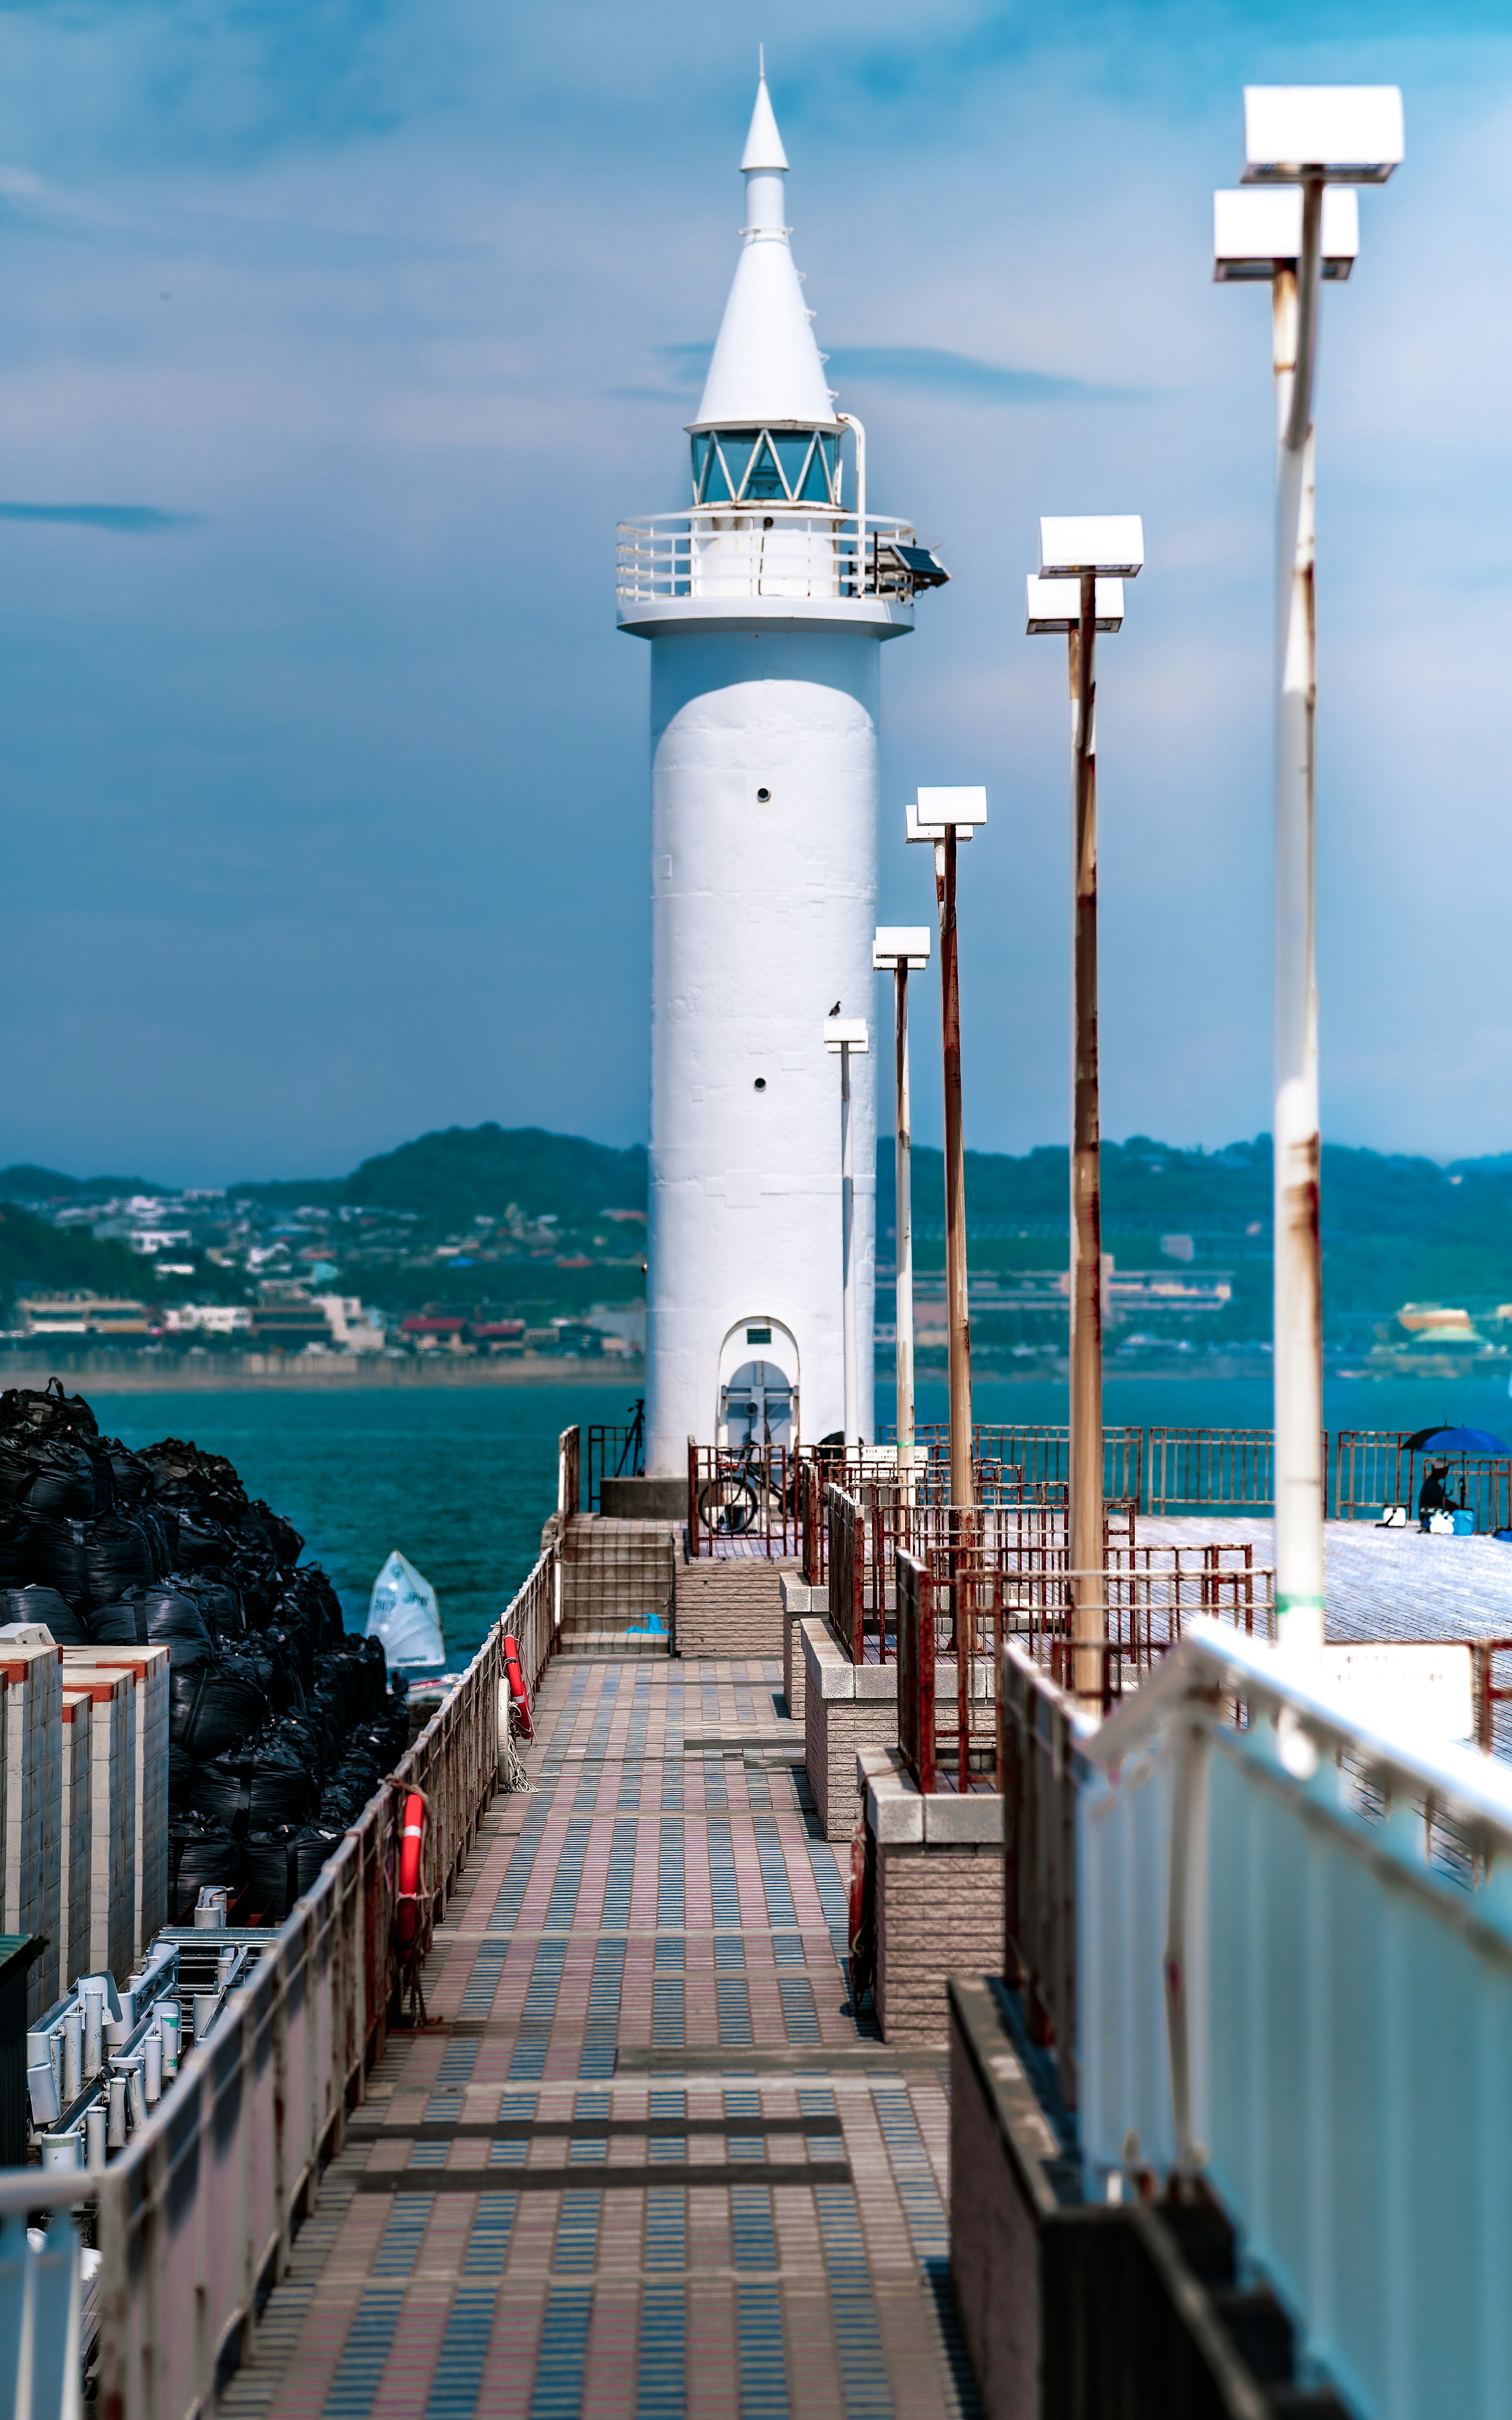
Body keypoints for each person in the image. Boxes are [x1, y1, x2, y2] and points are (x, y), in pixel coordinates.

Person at [1418, 1461, 1452, 1531]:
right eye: (1446, 1470)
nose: (1447, 1472)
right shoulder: (1432, 1485)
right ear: (1440, 1471)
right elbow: (1445, 1503)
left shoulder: (1432, 1482)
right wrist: (1459, 1508)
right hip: (1429, 1517)